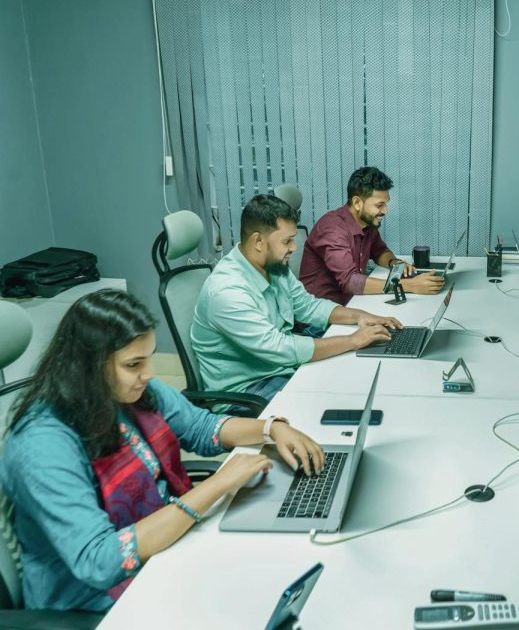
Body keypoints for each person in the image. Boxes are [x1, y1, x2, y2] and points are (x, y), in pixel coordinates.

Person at [0, 289, 326, 612]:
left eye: (149, 358)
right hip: (93, 600)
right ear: (89, 366)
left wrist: (271, 429)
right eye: (133, 364)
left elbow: (199, 427)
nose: (148, 374)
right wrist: (218, 484)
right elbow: (99, 560)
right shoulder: (41, 445)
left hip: (163, 546)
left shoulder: (128, 391)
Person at [192, 194, 401, 400]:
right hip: (250, 388)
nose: (294, 247)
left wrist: (360, 316)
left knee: (356, 380)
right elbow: (279, 348)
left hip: (281, 369)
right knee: (335, 400)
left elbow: (307, 305)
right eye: (287, 241)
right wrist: (353, 340)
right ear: (258, 241)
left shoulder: (272, 268)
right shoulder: (228, 292)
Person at [299, 166, 444, 304]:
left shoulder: (367, 223)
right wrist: (410, 285)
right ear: (357, 203)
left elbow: (380, 251)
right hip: (323, 319)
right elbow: (350, 282)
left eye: (386, 204)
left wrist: (395, 263)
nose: (385, 211)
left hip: (353, 302)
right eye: (379, 205)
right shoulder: (331, 229)